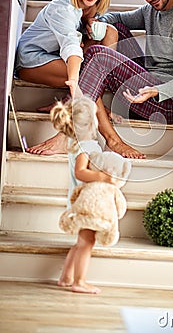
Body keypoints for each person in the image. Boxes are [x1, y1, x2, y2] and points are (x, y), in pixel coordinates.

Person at [26, 0, 173, 157]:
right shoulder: (152, 9)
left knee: (98, 55)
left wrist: (156, 90)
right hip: (142, 91)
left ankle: (68, 132)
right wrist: (95, 22)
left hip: (168, 106)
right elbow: (118, 18)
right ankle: (76, 100)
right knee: (115, 30)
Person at [15, 0, 143, 158]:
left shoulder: (95, 8)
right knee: (89, 73)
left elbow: (94, 42)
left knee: (111, 32)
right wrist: (74, 82)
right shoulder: (63, 9)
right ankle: (110, 139)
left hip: (56, 57)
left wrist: (91, 26)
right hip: (33, 60)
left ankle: (70, 102)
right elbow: (71, 47)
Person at [50, 95, 124, 294]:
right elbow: (80, 172)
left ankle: (66, 277)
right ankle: (79, 281)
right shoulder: (87, 147)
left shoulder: (77, 145)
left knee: (82, 241)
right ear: (92, 123)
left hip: (82, 202)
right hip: (88, 206)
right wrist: (103, 177)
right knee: (87, 242)